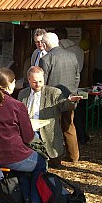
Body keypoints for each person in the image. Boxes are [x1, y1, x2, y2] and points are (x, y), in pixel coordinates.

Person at [0, 68, 47, 203]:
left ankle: (27, 199)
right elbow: (28, 137)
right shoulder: (17, 106)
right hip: (11, 154)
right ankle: (35, 202)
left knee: (24, 163)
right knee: (40, 162)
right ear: (12, 84)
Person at [18, 66, 82, 168]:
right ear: (29, 80)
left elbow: (64, 105)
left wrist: (71, 101)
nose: (38, 84)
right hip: (28, 130)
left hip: (46, 131)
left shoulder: (53, 92)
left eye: (40, 81)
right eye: (34, 82)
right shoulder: (23, 93)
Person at [39, 32, 80, 163]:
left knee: (53, 129)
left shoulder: (45, 59)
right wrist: (72, 93)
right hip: (70, 96)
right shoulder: (72, 56)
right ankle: (74, 156)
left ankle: (55, 159)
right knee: (69, 126)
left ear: (45, 44)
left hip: (52, 100)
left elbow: (42, 83)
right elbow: (77, 77)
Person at [53, 27, 89, 145]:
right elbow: (79, 70)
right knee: (73, 116)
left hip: (58, 85)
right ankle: (82, 137)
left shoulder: (56, 51)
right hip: (74, 84)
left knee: (61, 118)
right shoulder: (77, 49)